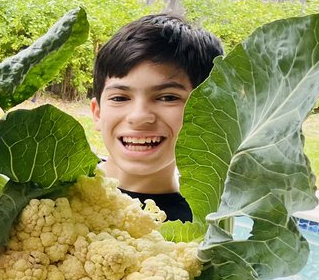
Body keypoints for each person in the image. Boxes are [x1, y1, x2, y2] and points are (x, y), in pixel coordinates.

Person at [90, 13, 225, 223]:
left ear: (205, 115)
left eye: (167, 97)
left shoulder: (203, 228)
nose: (139, 117)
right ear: (97, 113)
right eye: (120, 97)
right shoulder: (51, 188)